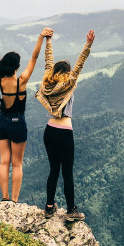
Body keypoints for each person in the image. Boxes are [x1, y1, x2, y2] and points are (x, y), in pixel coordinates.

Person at [0, 25, 53, 203]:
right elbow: (34, 58)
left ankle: (4, 198)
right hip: (18, 123)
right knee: (17, 164)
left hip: (2, 121)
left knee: (4, 161)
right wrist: (41, 37)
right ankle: (15, 201)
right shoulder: (22, 81)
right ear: (17, 67)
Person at [35, 29, 95, 221]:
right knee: (67, 172)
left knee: (53, 170)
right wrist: (88, 44)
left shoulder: (47, 83)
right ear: (67, 74)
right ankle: (71, 211)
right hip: (64, 132)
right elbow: (80, 63)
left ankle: (49, 207)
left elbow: (48, 61)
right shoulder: (69, 82)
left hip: (49, 130)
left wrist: (48, 40)